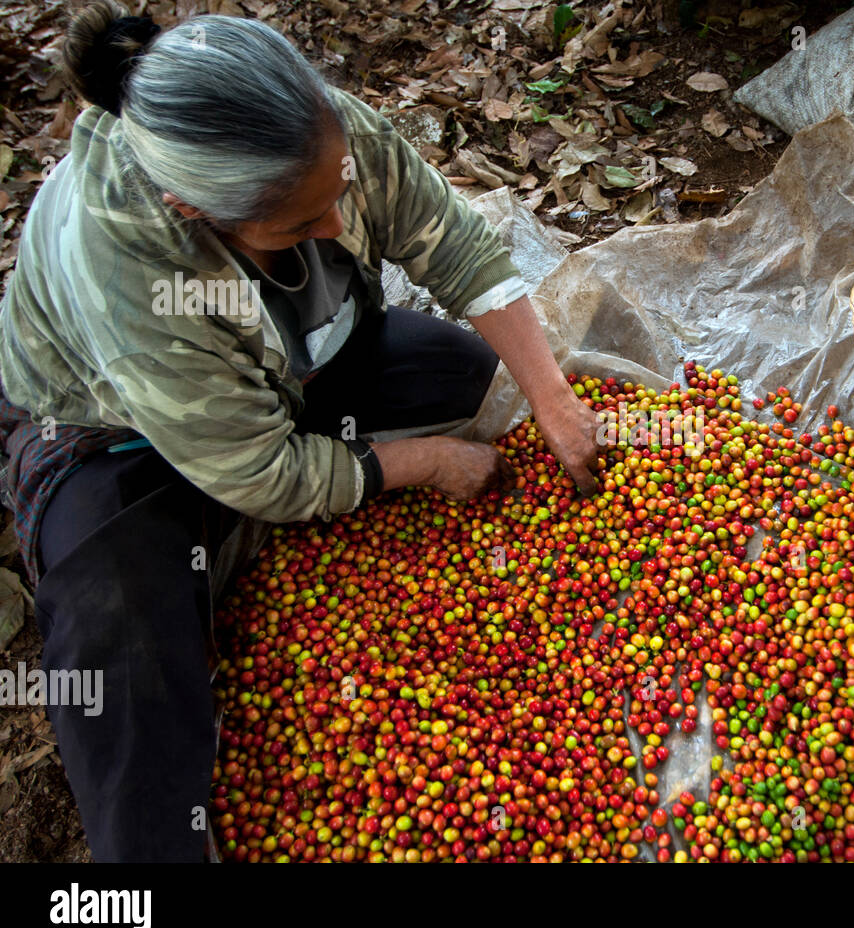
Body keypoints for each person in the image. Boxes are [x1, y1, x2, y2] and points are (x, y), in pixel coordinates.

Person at [0, 2, 598, 861]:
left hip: (300, 361)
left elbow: (456, 247)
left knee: (474, 376)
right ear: (193, 211)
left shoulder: (313, 129)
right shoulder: (125, 260)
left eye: (339, 195)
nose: (333, 226)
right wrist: (425, 461)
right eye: (297, 227)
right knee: (118, 629)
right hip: (116, 432)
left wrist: (549, 395)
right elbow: (265, 473)